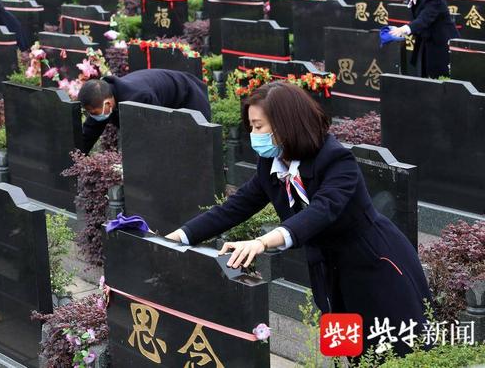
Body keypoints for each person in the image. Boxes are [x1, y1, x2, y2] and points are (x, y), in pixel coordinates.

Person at [165, 82, 432, 356]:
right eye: (251, 127)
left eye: (259, 126)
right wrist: (176, 238)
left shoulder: (336, 159)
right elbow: (235, 207)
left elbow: (321, 210)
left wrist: (261, 242)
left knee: (394, 349)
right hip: (328, 269)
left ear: (285, 124)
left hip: (374, 263)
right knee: (348, 348)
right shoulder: (271, 163)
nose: (253, 135)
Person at [78, 68, 211, 153]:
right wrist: (75, 159)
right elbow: (90, 132)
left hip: (189, 97)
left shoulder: (140, 98)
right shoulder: (103, 99)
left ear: (107, 103)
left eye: (94, 113)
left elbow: (156, 134)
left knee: (196, 147)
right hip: (164, 99)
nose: (94, 116)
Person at [389, 0, 459, 78]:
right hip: (425, 40)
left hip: (440, 43)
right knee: (423, 74)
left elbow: (424, 19)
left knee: (438, 79)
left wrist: (404, 29)